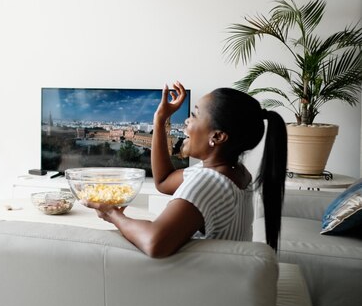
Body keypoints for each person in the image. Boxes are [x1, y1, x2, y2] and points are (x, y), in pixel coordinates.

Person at [86, 81, 287, 258]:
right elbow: (164, 181)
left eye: (194, 115)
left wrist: (112, 214)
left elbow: (155, 243)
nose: (186, 121)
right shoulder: (235, 172)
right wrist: (160, 120)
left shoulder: (208, 182)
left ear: (217, 137)